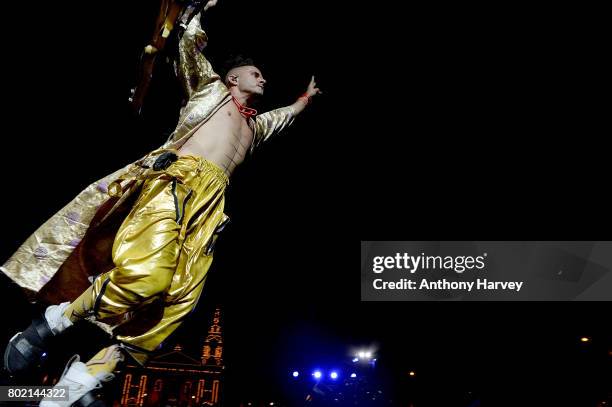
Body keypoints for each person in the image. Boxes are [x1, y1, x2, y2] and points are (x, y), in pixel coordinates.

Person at [2, 3, 321, 405]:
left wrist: (305, 99)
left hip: (209, 209)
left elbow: (284, 116)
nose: (264, 79)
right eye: (256, 73)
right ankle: (55, 321)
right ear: (232, 77)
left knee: (175, 301)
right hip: (176, 182)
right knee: (147, 275)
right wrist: (199, 12)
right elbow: (188, 48)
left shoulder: (253, 127)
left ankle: (86, 376)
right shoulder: (212, 92)